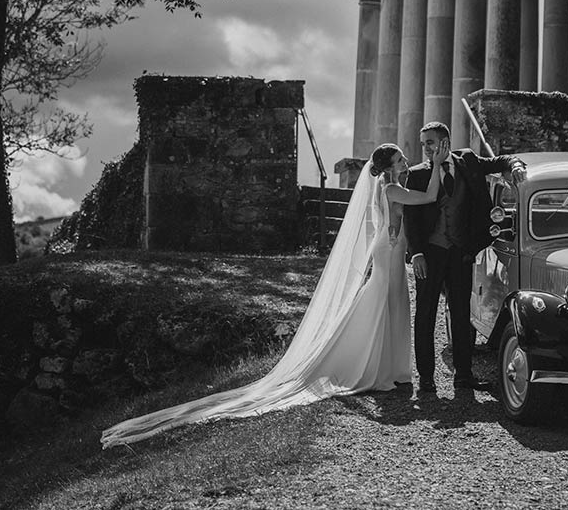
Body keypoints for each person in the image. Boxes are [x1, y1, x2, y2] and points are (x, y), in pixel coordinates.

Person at [100, 142, 447, 449]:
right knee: (383, 306)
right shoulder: (389, 190)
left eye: (404, 159)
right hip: (387, 254)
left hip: (389, 251)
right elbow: (429, 196)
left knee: (393, 305)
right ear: (388, 167)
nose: (405, 162)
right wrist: (437, 163)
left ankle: (394, 369)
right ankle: (368, 366)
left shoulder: (390, 187)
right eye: (400, 159)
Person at [403, 121, 526, 394]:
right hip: (430, 253)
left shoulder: (468, 160)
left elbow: (500, 160)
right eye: (423, 144)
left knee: (461, 314)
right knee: (425, 314)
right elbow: (410, 219)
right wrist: (417, 253)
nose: (425, 149)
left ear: (445, 142)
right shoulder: (417, 174)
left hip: (461, 252)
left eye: (430, 143)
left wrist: (516, 166)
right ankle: (426, 378)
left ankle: (464, 375)